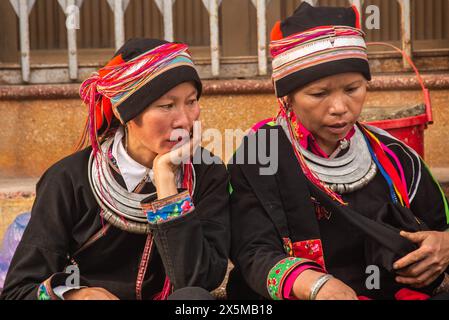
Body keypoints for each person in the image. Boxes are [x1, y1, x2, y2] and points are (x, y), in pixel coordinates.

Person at [226, 2, 449, 300]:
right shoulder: (258, 156)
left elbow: (439, 221)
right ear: (287, 99)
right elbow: (251, 250)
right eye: (319, 94)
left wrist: (444, 243)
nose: (340, 108)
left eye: (352, 89)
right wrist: (313, 286)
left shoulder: (393, 155)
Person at [0, 38, 230, 300]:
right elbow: (18, 292)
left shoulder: (207, 174)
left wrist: (166, 181)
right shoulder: (69, 180)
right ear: (126, 114)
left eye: (191, 101)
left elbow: (198, 280)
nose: (185, 120)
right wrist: (76, 295)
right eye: (167, 106)